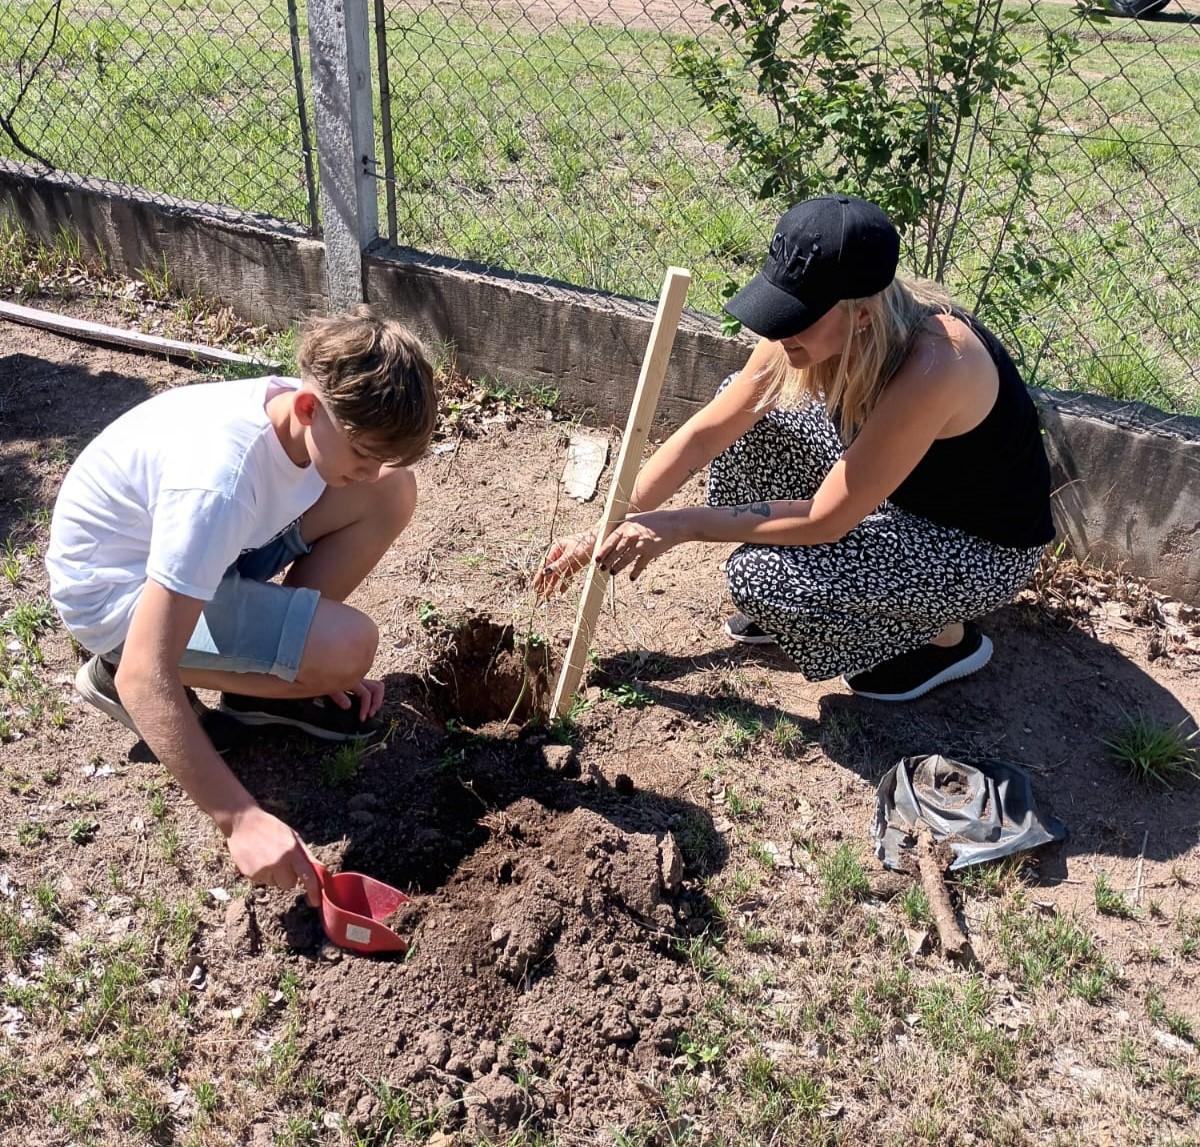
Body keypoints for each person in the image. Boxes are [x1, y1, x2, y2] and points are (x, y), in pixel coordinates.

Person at [535, 195, 1054, 702]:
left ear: (862, 315)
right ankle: (839, 604)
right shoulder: (813, 330)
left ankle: (943, 638)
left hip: (973, 547)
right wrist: (603, 527)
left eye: (796, 315)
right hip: (896, 493)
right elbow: (705, 435)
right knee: (745, 413)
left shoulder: (938, 364)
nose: (777, 328)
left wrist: (677, 525)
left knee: (759, 577)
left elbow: (827, 519)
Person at [46, 305, 437, 902]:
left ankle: (260, 677)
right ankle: (108, 671)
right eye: (363, 454)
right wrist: (238, 818)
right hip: (120, 598)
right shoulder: (221, 482)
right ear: (310, 407)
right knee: (348, 646)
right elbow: (144, 675)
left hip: (205, 553)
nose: (370, 468)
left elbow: (364, 477)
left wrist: (294, 652)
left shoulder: (299, 424)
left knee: (390, 494)